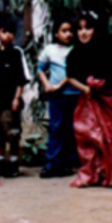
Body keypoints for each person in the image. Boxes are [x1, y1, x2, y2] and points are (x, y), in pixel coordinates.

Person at [66, 11, 112, 188]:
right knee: (90, 138)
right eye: (80, 29)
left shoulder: (105, 47)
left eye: (88, 28)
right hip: (88, 101)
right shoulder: (74, 53)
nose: (83, 33)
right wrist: (85, 88)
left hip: (107, 98)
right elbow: (70, 77)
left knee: (110, 137)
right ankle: (93, 173)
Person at [0, 15, 30, 178]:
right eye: (4, 32)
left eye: (11, 32)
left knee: (12, 132)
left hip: (10, 102)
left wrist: (17, 98)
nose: (8, 35)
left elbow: (21, 80)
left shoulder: (17, 54)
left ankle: (13, 161)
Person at [37, 15, 80, 178]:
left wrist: (59, 85)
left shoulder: (76, 49)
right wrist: (47, 84)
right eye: (64, 31)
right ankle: (51, 164)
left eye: (70, 31)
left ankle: (69, 163)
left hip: (74, 94)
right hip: (56, 96)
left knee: (72, 129)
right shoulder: (50, 50)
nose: (68, 34)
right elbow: (40, 69)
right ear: (56, 33)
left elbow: (73, 73)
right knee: (56, 128)